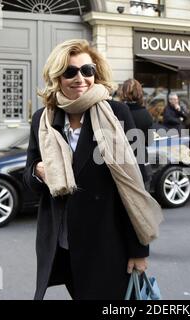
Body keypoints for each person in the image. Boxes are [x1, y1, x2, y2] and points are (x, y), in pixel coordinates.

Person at [23, 39, 163, 300]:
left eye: (87, 70)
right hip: (62, 244)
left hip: (107, 243)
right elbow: (29, 175)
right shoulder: (44, 119)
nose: (81, 78)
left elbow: (135, 184)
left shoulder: (117, 113)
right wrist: (39, 172)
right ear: (57, 77)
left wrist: (138, 249)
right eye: (70, 72)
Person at [119, 78, 154, 185]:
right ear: (139, 93)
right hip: (141, 163)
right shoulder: (146, 114)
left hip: (122, 165)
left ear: (123, 92)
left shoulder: (117, 112)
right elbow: (149, 141)